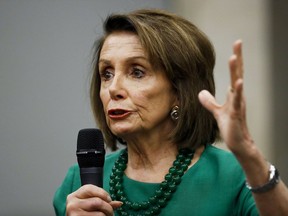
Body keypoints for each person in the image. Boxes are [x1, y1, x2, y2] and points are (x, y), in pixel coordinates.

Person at [53, 9, 288, 216]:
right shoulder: (78, 184)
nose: (113, 88)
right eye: (107, 73)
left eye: (136, 72)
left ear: (179, 90)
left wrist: (249, 154)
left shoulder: (233, 176)